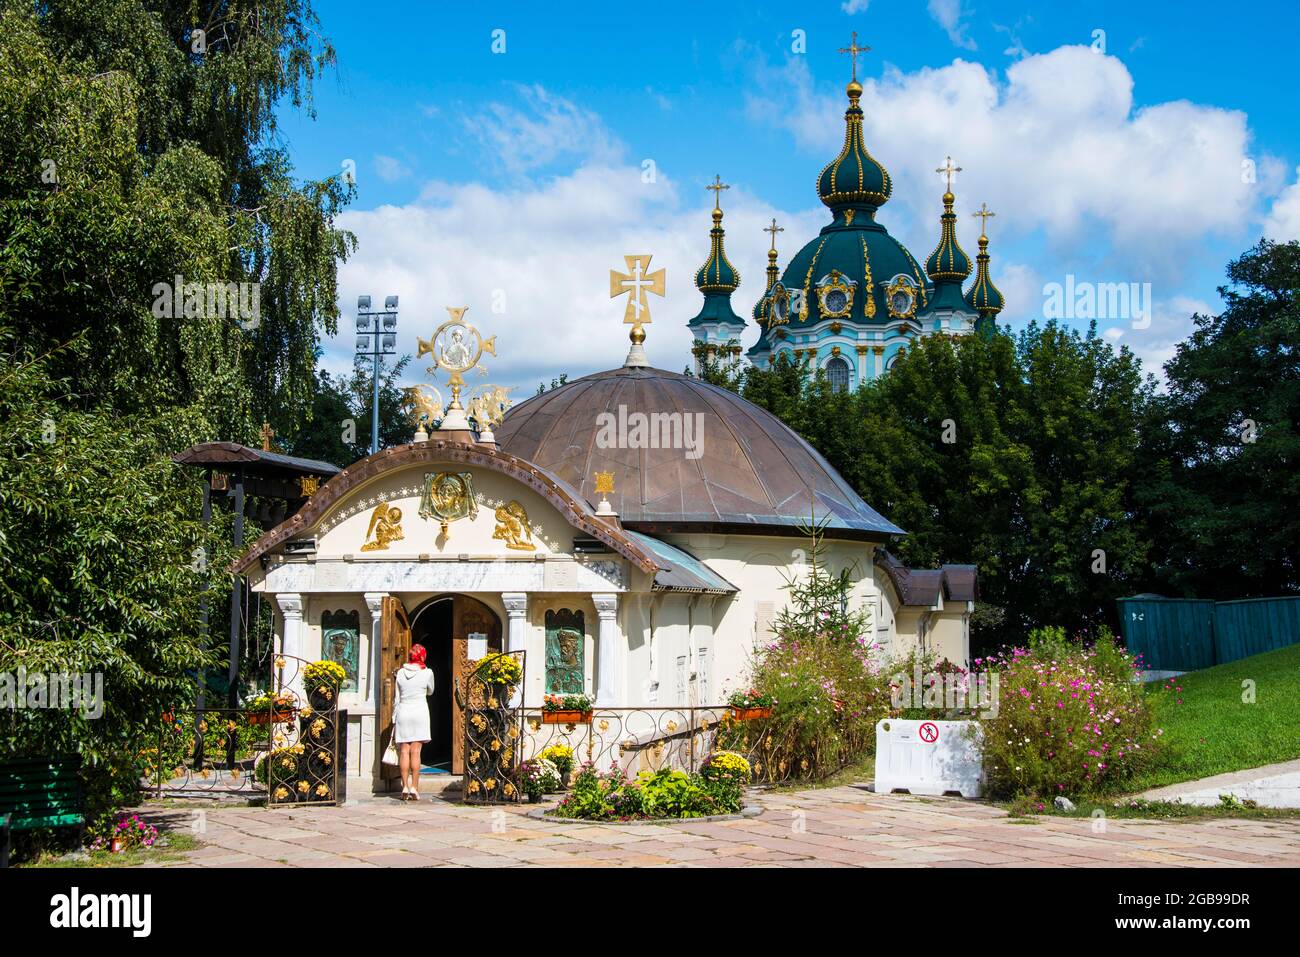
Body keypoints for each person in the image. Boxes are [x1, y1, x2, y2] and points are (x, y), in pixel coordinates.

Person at [393, 644, 435, 800]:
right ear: (422, 656)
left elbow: (397, 696)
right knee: (416, 751)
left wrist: (394, 716)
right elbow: (431, 691)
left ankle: (404, 786)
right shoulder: (427, 672)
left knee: (404, 750)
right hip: (419, 712)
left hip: (404, 711)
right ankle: (414, 787)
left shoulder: (401, 673)